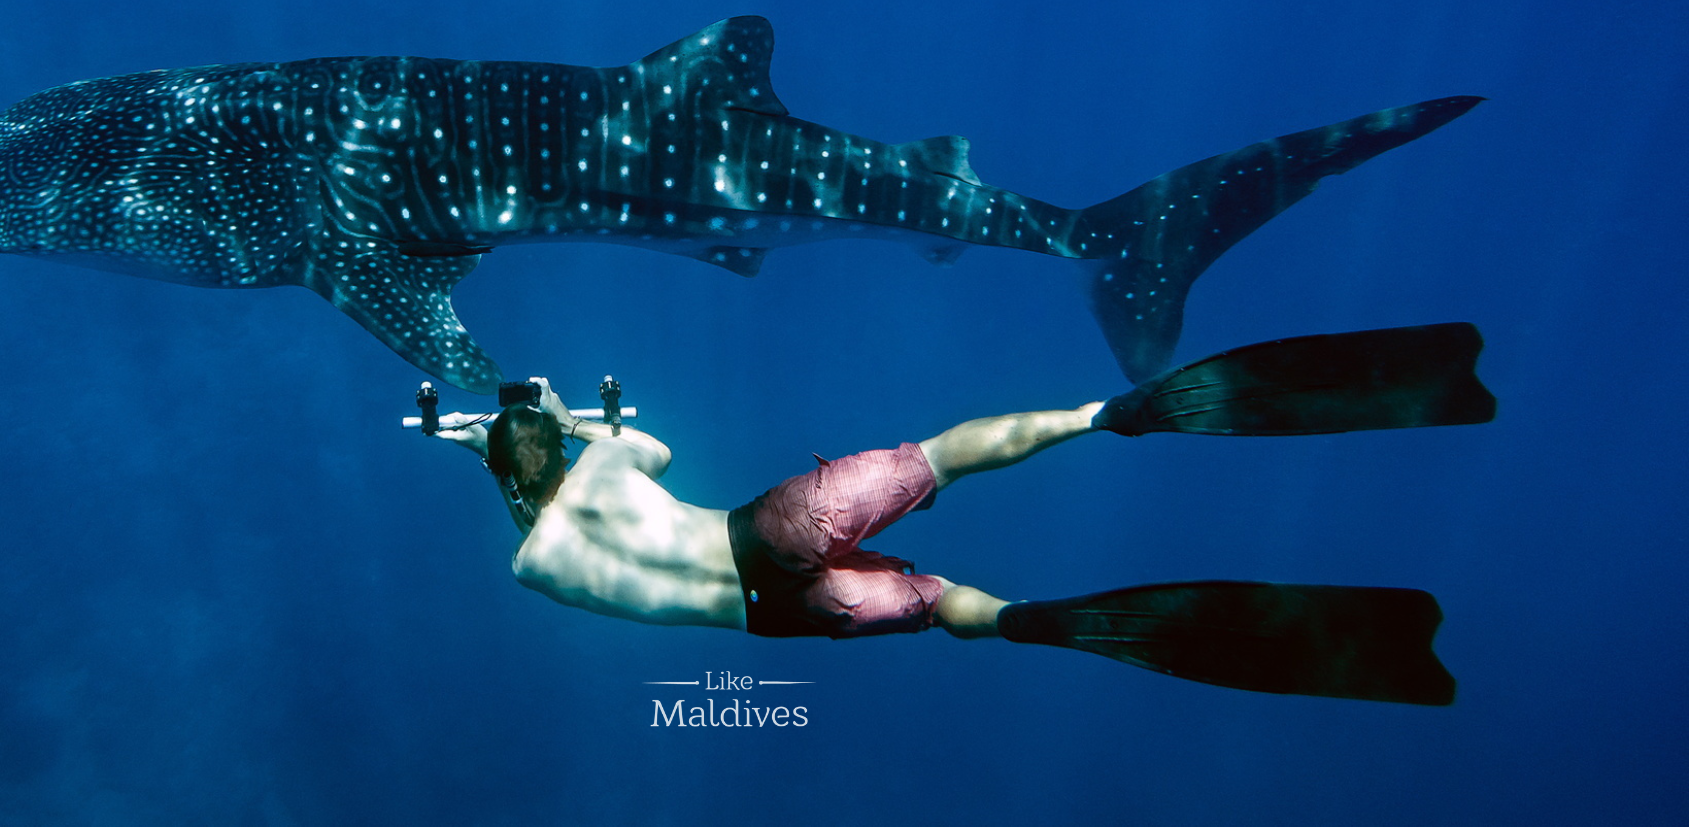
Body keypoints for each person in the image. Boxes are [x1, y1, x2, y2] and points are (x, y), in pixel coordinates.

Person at [431, 324, 1495, 705]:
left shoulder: (532, 564)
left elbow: (529, 491)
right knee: (942, 454)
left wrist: (500, 454)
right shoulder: (609, 465)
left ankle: (1036, 618)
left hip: (775, 618)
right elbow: (647, 445)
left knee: (945, 608)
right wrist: (563, 420)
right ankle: (1105, 413)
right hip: (762, 526)